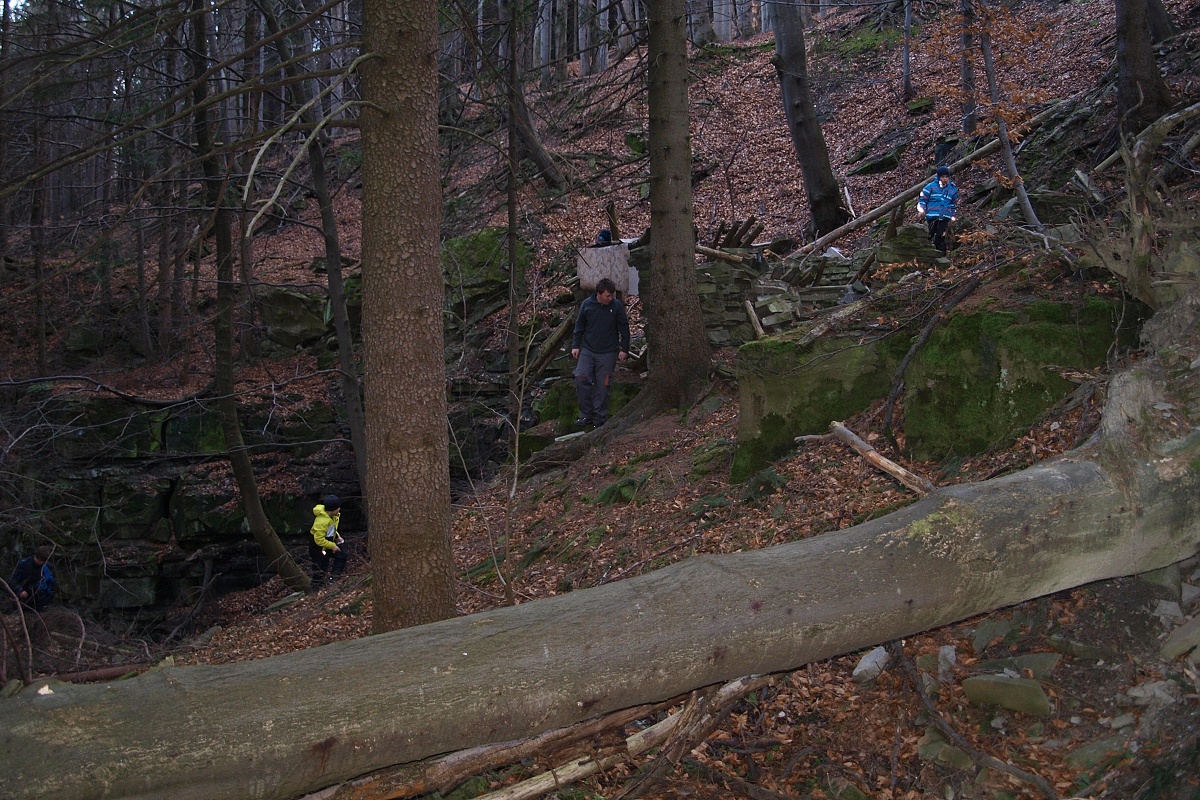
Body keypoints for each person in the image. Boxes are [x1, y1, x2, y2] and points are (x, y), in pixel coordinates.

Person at [571, 277, 630, 428]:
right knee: (580, 377)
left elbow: (624, 328)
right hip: (588, 349)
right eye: (607, 296)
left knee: (602, 385)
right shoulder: (587, 305)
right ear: (599, 294)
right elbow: (579, 327)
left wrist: (624, 349)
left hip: (608, 351)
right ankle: (586, 414)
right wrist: (575, 346)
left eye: (612, 295)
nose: (610, 298)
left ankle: (599, 417)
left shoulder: (616, 306)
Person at [916, 165, 959, 254]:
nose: (945, 179)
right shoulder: (930, 187)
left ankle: (941, 254)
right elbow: (923, 199)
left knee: (941, 234)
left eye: (947, 177)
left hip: (945, 216)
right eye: (943, 177)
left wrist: (953, 216)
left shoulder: (952, 189)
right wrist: (922, 210)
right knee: (930, 233)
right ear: (939, 177)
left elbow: (953, 204)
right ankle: (928, 250)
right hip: (932, 215)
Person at [309, 494, 346, 584]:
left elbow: (331, 529)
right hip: (318, 548)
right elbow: (318, 539)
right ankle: (316, 588)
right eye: (337, 508)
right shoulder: (322, 521)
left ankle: (334, 578)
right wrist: (333, 546)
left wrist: (337, 537)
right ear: (332, 509)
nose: (339, 509)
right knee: (320, 568)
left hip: (328, 542)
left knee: (341, 556)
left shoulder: (332, 517)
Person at [9, 545, 56, 611]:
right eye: (37, 559)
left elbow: (51, 586)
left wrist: (47, 600)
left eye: (41, 560)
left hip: (39, 602)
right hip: (22, 598)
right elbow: (12, 579)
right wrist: (19, 590)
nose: (38, 562)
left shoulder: (47, 568)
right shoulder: (24, 564)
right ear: (35, 555)